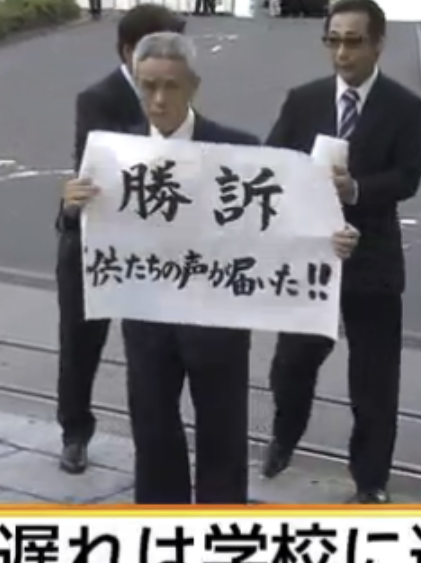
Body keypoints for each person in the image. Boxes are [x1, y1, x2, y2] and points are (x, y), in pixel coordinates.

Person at [61, 32, 361, 504]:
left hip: (218, 318)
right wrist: (71, 207)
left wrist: (330, 240)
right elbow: (83, 229)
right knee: (153, 430)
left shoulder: (235, 149)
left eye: (170, 86)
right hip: (147, 316)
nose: (159, 99)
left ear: (193, 86)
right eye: (148, 86)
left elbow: (281, 224)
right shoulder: (114, 152)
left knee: (223, 432)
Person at [261, 0, 421, 504]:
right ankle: (284, 436)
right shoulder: (304, 100)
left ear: (377, 44)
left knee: (374, 376)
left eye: (353, 42)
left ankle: (370, 479)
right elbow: (272, 162)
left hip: (372, 256)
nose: (342, 53)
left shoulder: (405, 107)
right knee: (292, 361)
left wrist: (355, 190)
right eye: (333, 41)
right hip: (310, 257)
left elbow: (408, 176)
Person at [56, 4, 186, 475]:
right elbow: (108, 160)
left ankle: (151, 441)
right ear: (130, 50)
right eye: (160, 47)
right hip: (93, 241)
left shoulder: (177, 92)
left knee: (150, 352)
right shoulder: (98, 98)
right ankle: (75, 433)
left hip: (149, 247)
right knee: (80, 345)